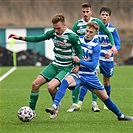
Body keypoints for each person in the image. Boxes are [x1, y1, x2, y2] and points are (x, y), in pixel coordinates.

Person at [45, 22, 133, 121]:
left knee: (105, 98)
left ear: (96, 33)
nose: (87, 33)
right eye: (87, 31)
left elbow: (93, 65)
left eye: (91, 32)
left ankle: (121, 116)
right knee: (65, 81)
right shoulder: (79, 40)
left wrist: (80, 61)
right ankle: (54, 105)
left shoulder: (96, 45)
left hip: (90, 76)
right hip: (78, 74)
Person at [8, 13, 83, 119]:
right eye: (54, 28)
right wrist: (20, 37)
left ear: (64, 25)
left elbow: (80, 52)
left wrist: (77, 66)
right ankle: (32, 112)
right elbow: (38, 38)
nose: (56, 31)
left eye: (58, 28)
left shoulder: (72, 36)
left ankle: (55, 106)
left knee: (51, 87)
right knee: (35, 84)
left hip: (66, 67)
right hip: (55, 64)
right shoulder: (53, 33)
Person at [67, 2, 117, 113]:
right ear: (81, 12)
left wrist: (113, 45)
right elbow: (72, 39)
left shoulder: (97, 22)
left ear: (91, 11)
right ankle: (75, 104)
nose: (85, 13)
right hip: (80, 59)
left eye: (87, 11)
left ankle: (94, 103)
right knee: (76, 78)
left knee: (94, 78)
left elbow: (108, 34)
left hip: (94, 58)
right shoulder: (77, 24)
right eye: (83, 11)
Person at [77, 7, 121, 110]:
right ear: (99, 15)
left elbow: (117, 45)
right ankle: (83, 102)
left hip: (108, 59)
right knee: (90, 77)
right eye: (103, 15)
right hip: (96, 58)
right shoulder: (95, 29)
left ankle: (107, 101)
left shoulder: (112, 29)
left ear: (109, 17)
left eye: (106, 15)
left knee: (106, 81)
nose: (104, 17)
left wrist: (111, 51)